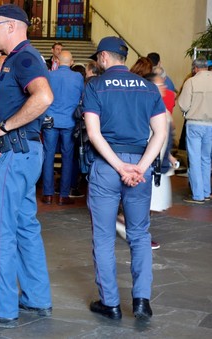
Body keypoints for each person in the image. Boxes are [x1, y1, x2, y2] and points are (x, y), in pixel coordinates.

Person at [0, 5, 54, 328]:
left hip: (14, 156)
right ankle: (35, 298)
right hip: (25, 155)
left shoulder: (24, 58)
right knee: (25, 227)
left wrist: (5, 127)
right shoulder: (21, 59)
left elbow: (43, 97)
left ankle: (1, 308)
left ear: (13, 27)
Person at [83, 36, 167, 321]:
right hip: (139, 168)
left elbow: (94, 134)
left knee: (104, 236)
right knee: (140, 235)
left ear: (104, 57)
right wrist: (140, 168)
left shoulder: (95, 85)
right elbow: (160, 132)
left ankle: (111, 303)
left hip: (108, 166)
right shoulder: (148, 87)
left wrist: (119, 166)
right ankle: (142, 300)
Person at [115, 73, 179, 250]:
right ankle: (134, 230)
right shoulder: (147, 107)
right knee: (147, 202)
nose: (163, 89)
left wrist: (170, 157)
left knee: (153, 203)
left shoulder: (159, 108)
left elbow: (165, 137)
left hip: (159, 163)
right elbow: (153, 137)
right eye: (159, 86)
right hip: (151, 163)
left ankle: (131, 226)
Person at [41, 50, 84, 205]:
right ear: (71, 62)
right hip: (69, 122)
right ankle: (63, 195)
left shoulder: (49, 75)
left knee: (48, 156)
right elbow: (81, 97)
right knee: (67, 158)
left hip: (50, 120)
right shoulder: (78, 77)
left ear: (57, 61)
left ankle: (47, 194)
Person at [178, 56, 212, 204]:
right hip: (210, 125)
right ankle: (206, 192)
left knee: (195, 159)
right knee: (206, 159)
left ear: (195, 68)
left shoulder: (191, 82)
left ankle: (198, 195)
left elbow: (183, 105)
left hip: (195, 124)